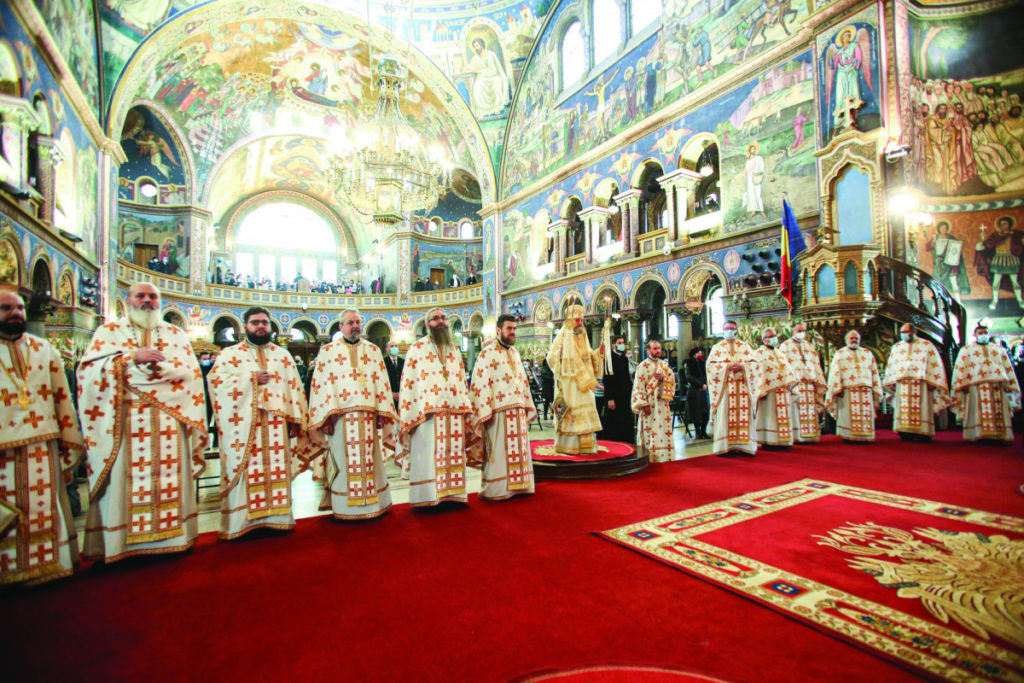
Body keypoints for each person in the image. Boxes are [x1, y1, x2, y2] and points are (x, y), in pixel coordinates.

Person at [77, 283, 208, 562]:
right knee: (123, 482)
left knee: (170, 479)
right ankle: (121, 546)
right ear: (128, 300)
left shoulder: (176, 335)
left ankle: (174, 539)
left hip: (170, 422)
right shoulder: (109, 332)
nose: (147, 301)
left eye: (153, 296)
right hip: (123, 423)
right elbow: (87, 374)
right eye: (141, 296)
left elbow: (191, 376)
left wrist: (141, 375)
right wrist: (130, 359)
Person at [208, 307, 318, 539]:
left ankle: (277, 519)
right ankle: (242, 523)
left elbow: (295, 389)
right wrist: (250, 379)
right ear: (245, 326)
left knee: (277, 469)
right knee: (246, 469)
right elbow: (216, 384)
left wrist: (296, 420)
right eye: (255, 322)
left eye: (264, 323)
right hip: (242, 427)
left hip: (277, 427)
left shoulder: (282, 355)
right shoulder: (230, 354)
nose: (260, 326)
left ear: (270, 326)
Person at [0, 292, 84, 585]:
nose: (16, 313)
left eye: (20, 308)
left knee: (43, 508)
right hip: (2, 450)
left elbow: (63, 397)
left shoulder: (43, 349)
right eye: (6, 308)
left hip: (41, 445)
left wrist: (69, 439)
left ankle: (49, 565)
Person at [308, 310, 398, 519]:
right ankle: (344, 508)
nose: (355, 326)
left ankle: (374, 505)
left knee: (371, 460)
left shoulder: (373, 351)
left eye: (358, 322)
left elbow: (381, 383)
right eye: (350, 322)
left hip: (368, 418)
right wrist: (324, 417)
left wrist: (383, 412)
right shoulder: (328, 351)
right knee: (343, 461)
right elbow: (320, 386)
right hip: (340, 419)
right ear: (341, 326)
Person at [398, 308, 476, 507]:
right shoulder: (417, 349)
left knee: (452, 453)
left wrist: (465, 405)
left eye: (443, 318)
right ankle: (428, 497)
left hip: (454, 413)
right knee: (429, 457)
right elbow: (409, 384)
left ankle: (453, 495)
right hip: (427, 416)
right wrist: (411, 412)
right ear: (427, 324)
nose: (441, 322)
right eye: (435, 319)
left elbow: (460, 380)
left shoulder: (454, 349)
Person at [469, 314, 536, 501]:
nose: (513, 332)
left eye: (514, 329)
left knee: (519, 449)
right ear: (499, 330)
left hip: (517, 409)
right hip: (498, 411)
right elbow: (480, 382)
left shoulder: (515, 353)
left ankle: (521, 486)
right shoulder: (487, 353)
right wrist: (484, 410)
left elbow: (523, 381)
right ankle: (498, 489)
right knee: (499, 451)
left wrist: (526, 404)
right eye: (509, 328)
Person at [546, 304, 604, 456]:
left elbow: (588, 356)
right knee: (570, 411)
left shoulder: (582, 336)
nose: (580, 323)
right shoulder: (562, 336)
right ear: (570, 321)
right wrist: (561, 356)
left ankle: (586, 446)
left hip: (584, 383)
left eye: (582, 320)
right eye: (578, 320)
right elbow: (551, 357)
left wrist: (598, 353)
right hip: (569, 385)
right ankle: (568, 446)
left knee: (587, 409)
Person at [951, 324, 1021, 442]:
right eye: (980, 333)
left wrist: (1009, 383)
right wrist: (961, 385)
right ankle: (977, 434)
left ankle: (999, 435)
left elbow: (1008, 368)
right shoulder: (966, 350)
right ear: (975, 335)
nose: (983, 335)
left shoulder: (999, 350)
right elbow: (959, 369)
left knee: (998, 411)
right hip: (974, 386)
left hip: (997, 386)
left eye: (985, 333)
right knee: (976, 411)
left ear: (989, 334)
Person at [882, 323, 951, 442]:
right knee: (904, 408)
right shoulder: (897, 347)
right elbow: (891, 365)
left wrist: (933, 381)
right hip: (903, 384)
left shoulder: (926, 345)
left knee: (922, 408)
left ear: (914, 332)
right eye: (902, 333)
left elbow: (935, 364)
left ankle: (923, 434)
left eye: (905, 332)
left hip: (921, 384)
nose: (903, 335)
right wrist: (891, 381)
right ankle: (905, 432)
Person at [706, 320, 760, 456]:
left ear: (737, 330)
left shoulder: (745, 346)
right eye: (727, 328)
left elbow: (756, 365)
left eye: (732, 328)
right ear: (723, 330)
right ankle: (725, 447)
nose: (729, 330)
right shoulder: (717, 348)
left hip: (743, 387)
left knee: (744, 416)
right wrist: (728, 367)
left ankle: (746, 446)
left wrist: (743, 366)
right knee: (725, 415)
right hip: (725, 389)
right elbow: (710, 367)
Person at [824, 330, 883, 442]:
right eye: (852, 338)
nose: (854, 340)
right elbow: (834, 373)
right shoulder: (840, 353)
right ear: (846, 340)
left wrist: (875, 388)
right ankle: (848, 436)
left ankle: (865, 436)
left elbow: (874, 372)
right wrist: (837, 388)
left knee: (864, 414)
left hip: (865, 389)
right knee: (848, 414)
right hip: (847, 390)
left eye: (856, 338)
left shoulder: (867, 353)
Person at [778, 322, 827, 442]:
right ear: (793, 331)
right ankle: (798, 436)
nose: (802, 333)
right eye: (799, 331)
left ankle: (811, 435)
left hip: (809, 384)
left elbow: (816, 364)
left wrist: (818, 381)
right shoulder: (785, 346)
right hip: (795, 385)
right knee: (796, 410)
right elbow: (783, 367)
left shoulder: (809, 346)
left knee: (810, 410)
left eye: (803, 331)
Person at [752, 327, 799, 447]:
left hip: (783, 391)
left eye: (774, 336)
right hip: (769, 392)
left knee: (784, 415)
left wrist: (791, 384)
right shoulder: (758, 354)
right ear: (764, 339)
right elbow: (756, 374)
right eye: (770, 336)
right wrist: (760, 390)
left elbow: (788, 370)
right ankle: (769, 441)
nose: (773, 338)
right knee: (770, 416)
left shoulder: (780, 353)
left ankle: (784, 441)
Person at [631, 339, 676, 463]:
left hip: (662, 403)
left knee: (663, 430)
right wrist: (643, 404)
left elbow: (672, 381)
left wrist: (664, 378)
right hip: (649, 404)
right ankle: (649, 458)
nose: (658, 351)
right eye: (655, 349)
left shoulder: (664, 365)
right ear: (648, 350)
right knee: (649, 429)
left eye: (659, 348)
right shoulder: (642, 366)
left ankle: (664, 456)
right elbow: (638, 386)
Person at [599, 335, 635, 443]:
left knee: (625, 419)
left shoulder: (624, 358)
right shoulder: (609, 359)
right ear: (613, 345)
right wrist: (610, 398)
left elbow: (627, 377)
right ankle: (612, 443)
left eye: (623, 342)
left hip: (625, 395)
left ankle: (626, 442)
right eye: (619, 343)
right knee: (613, 421)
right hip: (614, 396)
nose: (622, 345)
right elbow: (607, 380)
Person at [682, 346, 709, 440]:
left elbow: (707, 375)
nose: (700, 354)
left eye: (701, 353)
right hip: (694, 390)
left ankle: (703, 431)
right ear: (694, 354)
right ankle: (698, 432)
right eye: (698, 353)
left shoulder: (703, 363)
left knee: (705, 412)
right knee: (696, 413)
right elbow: (689, 377)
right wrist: (700, 385)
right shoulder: (688, 363)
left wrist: (705, 384)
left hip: (704, 390)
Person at [383, 340, 404, 408]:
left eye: (396, 346)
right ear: (387, 349)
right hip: (389, 395)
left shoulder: (403, 361)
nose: (394, 348)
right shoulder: (383, 362)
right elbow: (382, 379)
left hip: (402, 395)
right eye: (392, 346)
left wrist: (401, 392)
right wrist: (391, 393)